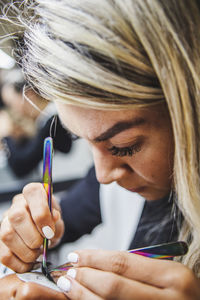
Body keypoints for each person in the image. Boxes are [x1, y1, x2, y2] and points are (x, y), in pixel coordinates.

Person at [0, 0, 200, 299]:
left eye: (123, 146)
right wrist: (31, 230)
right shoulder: (110, 180)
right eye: (83, 139)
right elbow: (65, 218)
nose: (104, 174)